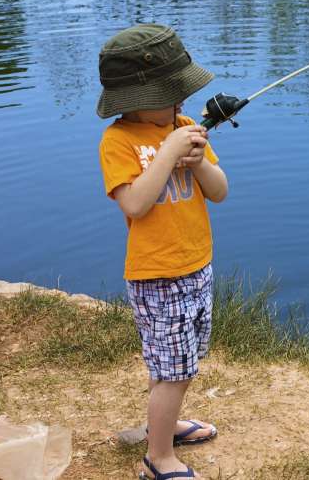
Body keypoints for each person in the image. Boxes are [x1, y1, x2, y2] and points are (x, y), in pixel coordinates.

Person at [97, 23, 228, 479]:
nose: (181, 103)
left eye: (181, 92)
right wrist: (170, 152)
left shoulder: (184, 127)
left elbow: (220, 190)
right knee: (173, 370)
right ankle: (158, 458)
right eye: (170, 94)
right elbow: (133, 202)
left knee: (181, 362)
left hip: (197, 264)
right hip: (158, 275)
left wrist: (196, 162)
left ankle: (164, 428)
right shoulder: (119, 141)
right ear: (133, 98)